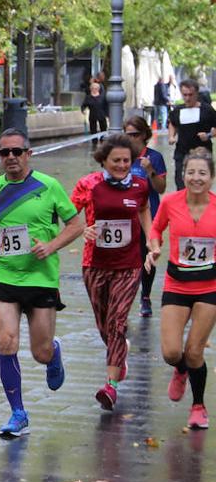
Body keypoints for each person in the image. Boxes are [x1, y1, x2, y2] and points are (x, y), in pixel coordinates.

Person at [0, 128, 84, 438]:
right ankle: (18, 412)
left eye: (16, 151)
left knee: (40, 352)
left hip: (41, 277)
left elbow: (75, 225)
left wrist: (51, 246)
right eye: (4, 153)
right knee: (6, 341)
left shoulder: (49, 186)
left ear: (28, 154)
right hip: (4, 274)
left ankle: (53, 352)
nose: (10, 158)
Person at [69, 134, 152, 410]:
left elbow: (144, 208)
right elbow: (69, 215)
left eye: (126, 161)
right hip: (95, 265)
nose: (121, 165)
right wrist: (85, 229)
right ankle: (119, 352)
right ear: (103, 160)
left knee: (117, 322)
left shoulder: (140, 184)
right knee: (104, 324)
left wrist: (152, 241)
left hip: (128, 265)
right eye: (116, 160)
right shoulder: (89, 184)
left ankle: (111, 386)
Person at [146, 149, 216, 430]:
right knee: (173, 353)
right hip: (176, 284)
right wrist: (153, 249)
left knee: (195, 351)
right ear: (183, 175)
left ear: (211, 178)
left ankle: (198, 406)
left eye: (202, 173)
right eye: (191, 173)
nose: (196, 178)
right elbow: (155, 229)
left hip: (210, 287)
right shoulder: (170, 202)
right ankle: (180, 369)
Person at [121, 116, 169, 316]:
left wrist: (150, 171)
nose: (132, 138)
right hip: (125, 216)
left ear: (144, 135)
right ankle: (124, 297)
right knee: (125, 259)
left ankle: (146, 296)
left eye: (135, 134)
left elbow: (161, 188)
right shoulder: (121, 156)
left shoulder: (154, 157)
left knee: (146, 256)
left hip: (150, 216)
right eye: (128, 134)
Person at [167, 78, 216, 190]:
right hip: (182, 152)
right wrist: (171, 136)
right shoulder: (178, 110)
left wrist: (208, 135)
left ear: (196, 94)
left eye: (191, 95)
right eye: (185, 95)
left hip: (203, 153)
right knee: (180, 182)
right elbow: (172, 123)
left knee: (202, 183)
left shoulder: (207, 110)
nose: (187, 98)